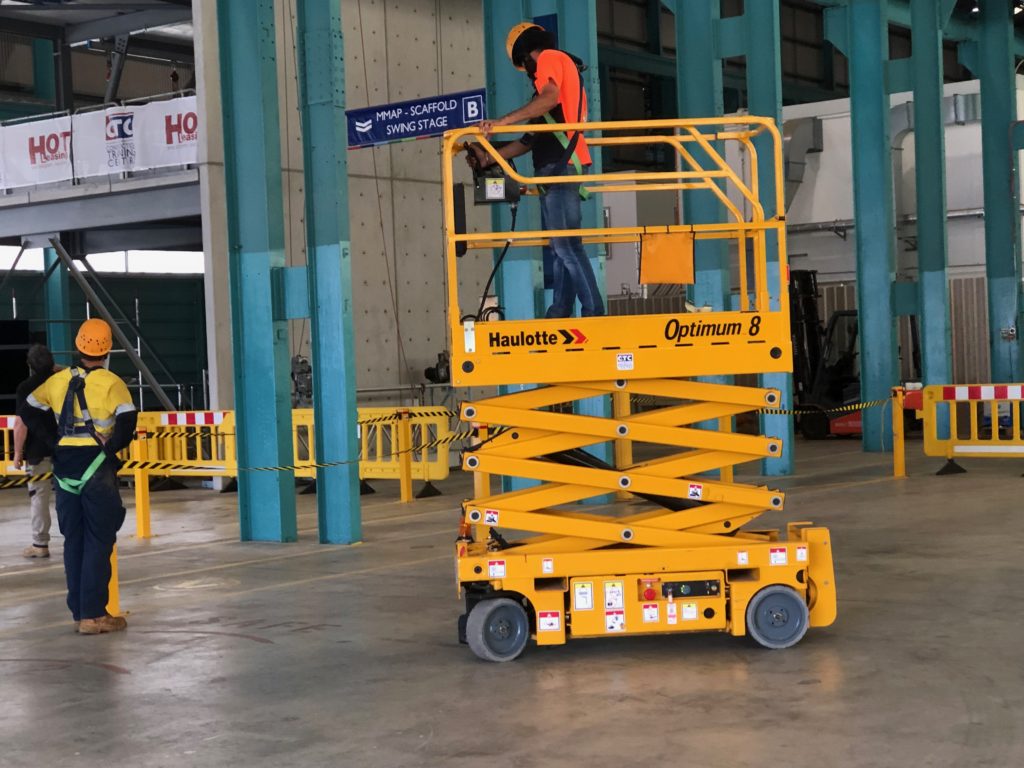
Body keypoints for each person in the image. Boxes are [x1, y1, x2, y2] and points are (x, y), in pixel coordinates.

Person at [469, 22, 605, 319]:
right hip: (558, 168)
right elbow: (530, 140)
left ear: (528, 53)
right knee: (563, 246)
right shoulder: (556, 85)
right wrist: (490, 159)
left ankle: (594, 312)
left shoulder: (549, 60)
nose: (529, 72)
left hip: (559, 168)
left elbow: (550, 96)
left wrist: (500, 122)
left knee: (566, 246)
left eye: (524, 64)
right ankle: (560, 310)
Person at [18, 318, 138, 634]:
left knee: (75, 541)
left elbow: (27, 407)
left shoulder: (58, 381)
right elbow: (127, 424)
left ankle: (80, 612)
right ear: (108, 348)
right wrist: (110, 450)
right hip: (96, 467)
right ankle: (94, 615)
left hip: (65, 467)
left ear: (78, 346)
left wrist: (52, 440)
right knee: (99, 540)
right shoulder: (113, 383)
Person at [12, 344, 59, 559]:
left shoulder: (26, 387)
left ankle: (40, 544)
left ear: (29, 365)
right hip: (66, 449)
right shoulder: (63, 380)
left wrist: (17, 453)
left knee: (39, 496)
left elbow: (21, 425)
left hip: (37, 452)